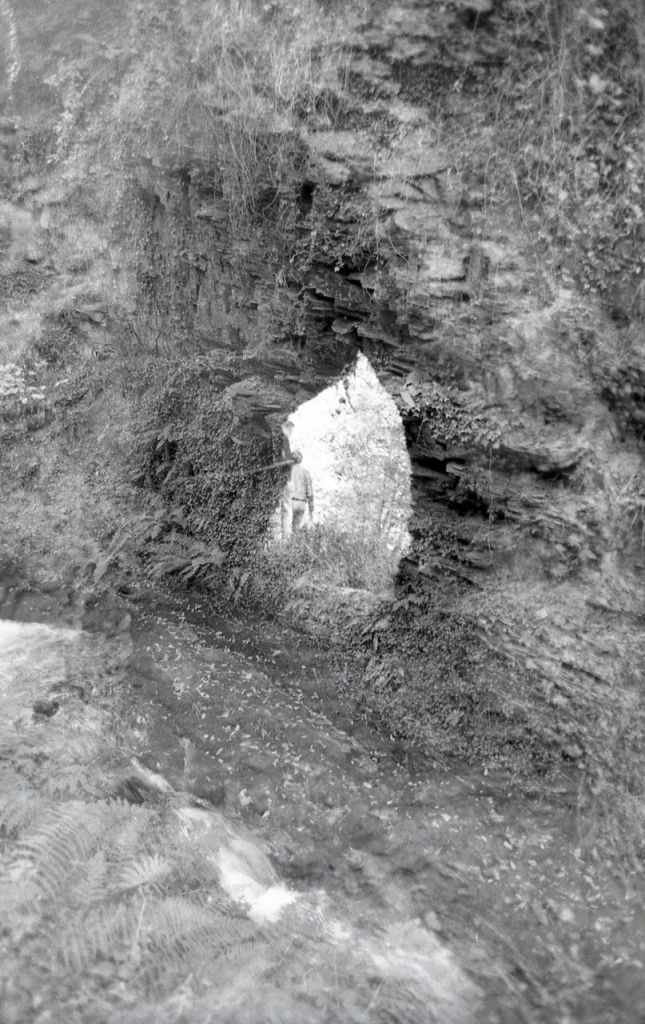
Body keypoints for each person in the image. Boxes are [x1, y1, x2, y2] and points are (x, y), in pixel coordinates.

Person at [284, 450, 314, 536]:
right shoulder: (306, 473)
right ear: (300, 460)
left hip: (290, 501)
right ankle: (295, 545)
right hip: (302, 502)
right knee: (296, 530)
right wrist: (311, 508)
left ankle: (286, 548)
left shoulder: (287, 472)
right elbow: (310, 492)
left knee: (286, 530)